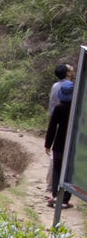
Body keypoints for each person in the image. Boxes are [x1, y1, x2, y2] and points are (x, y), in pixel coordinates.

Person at [45, 78, 74, 207]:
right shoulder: (77, 109)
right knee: (70, 171)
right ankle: (66, 199)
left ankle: (56, 196)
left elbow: (52, 127)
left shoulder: (58, 108)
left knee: (57, 169)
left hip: (58, 145)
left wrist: (48, 144)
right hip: (73, 146)